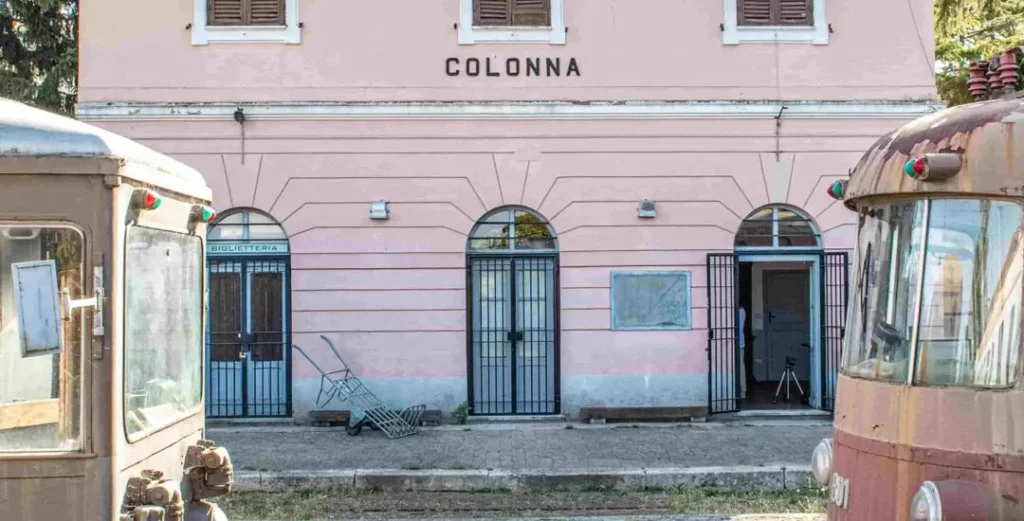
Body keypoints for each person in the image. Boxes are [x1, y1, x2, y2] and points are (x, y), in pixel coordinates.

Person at [738, 305, 747, 400]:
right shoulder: (742, 311)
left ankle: (741, 390)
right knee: (741, 365)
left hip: (736, 342)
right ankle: (742, 391)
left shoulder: (739, 311)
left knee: (739, 366)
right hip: (740, 342)